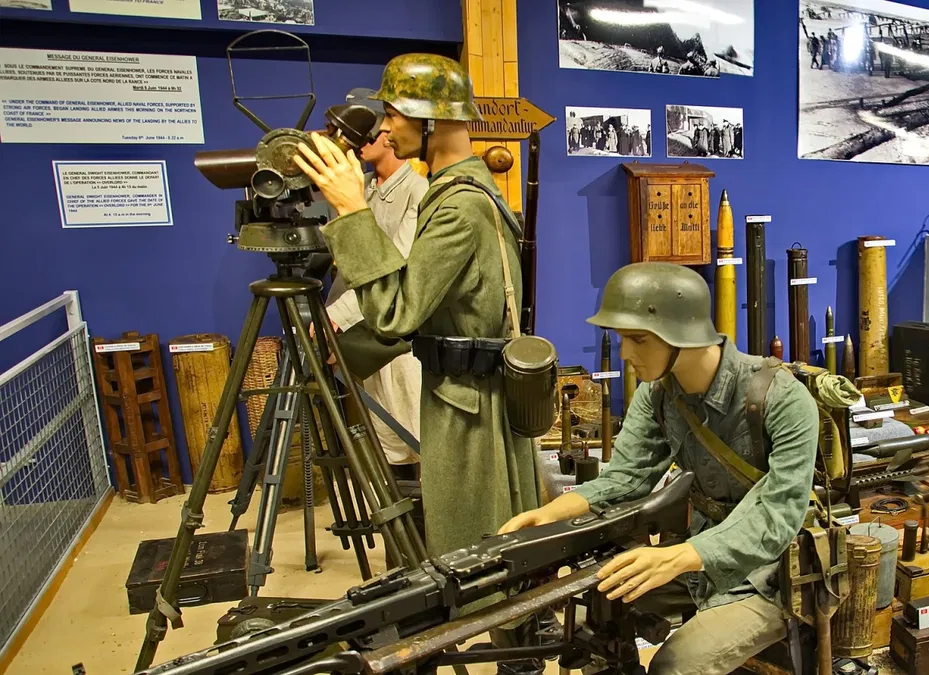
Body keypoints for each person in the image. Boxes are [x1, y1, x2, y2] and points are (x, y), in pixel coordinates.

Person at [498, 262, 820, 675]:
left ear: (681, 335)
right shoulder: (660, 396)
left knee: (676, 664)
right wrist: (551, 514)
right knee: (592, 620)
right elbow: (627, 477)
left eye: (638, 339)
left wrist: (679, 557)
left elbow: (779, 516)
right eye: (621, 338)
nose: (626, 353)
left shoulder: (783, 399)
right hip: (694, 555)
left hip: (773, 573)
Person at [292, 53, 542, 559]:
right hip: (463, 392)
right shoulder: (461, 193)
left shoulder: (458, 206)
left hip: (466, 401)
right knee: (481, 532)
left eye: (393, 114)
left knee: (473, 545)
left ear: (432, 118)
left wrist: (350, 210)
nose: (384, 129)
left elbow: (396, 313)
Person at [324, 89, 428, 473]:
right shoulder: (363, 189)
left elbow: (394, 267)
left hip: (395, 338)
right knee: (385, 436)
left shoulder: (419, 192)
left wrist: (336, 320)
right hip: (361, 329)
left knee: (414, 431)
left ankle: (423, 525)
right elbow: (347, 266)